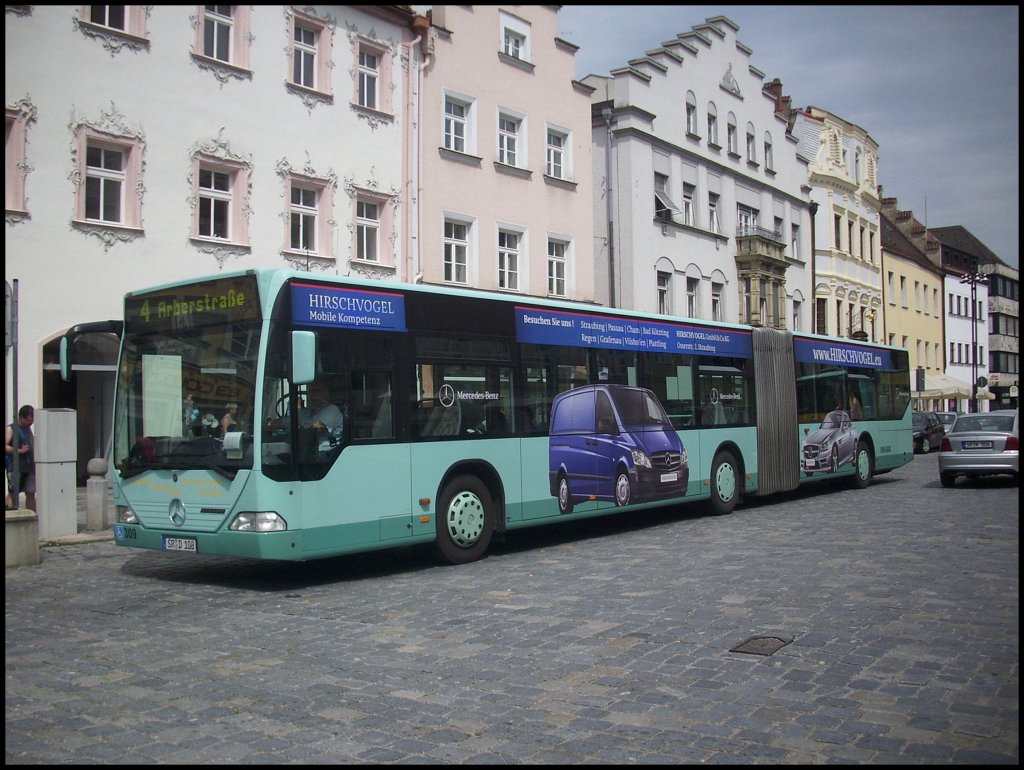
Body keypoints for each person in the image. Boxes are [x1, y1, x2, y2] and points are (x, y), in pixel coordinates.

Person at [5, 404, 36, 511]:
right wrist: (20, 451)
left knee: (31, 493)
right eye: (28, 420)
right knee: (13, 493)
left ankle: (33, 517)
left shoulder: (28, 429)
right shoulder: (11, 428)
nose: (30, 423)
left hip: (29, 467)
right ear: (21, 417)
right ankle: (10, 513)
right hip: (15, 467)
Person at [300, 380, 344, 448]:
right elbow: (288, 421)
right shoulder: (305, 412)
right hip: (308, 449)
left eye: (318, 391)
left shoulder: (332, 409)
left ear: (326, 393)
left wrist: (302, 427)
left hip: (328, 451)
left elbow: (318, 426)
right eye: (311, 391)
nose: (314, 394)